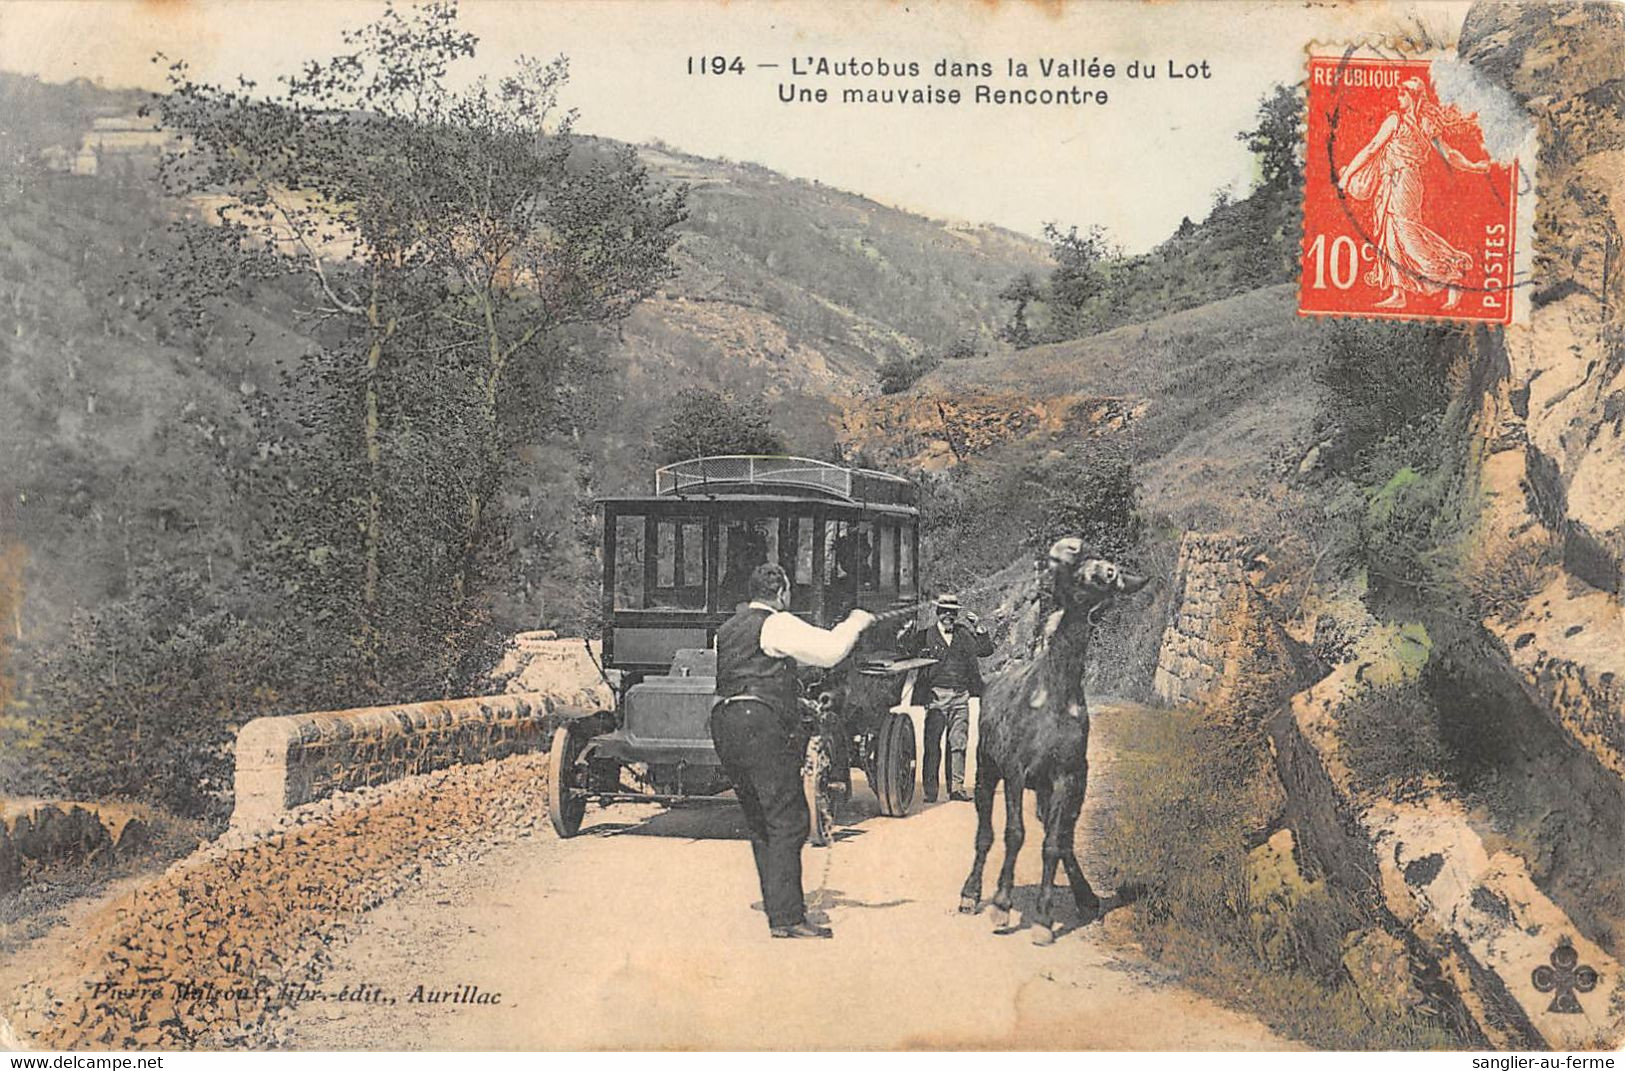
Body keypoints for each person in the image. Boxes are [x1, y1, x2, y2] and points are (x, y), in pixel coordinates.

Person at [711, 562, 873, 939]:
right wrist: (856, 622)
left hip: (724, 720)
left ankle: (778, 906)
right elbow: (831, 651)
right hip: (760, 723)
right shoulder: (777, 623)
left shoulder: (727, 629)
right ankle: (788, 919)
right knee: (789, 819)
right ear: (782, 593)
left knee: (759, 819)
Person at [1338, 76, 1491, 311]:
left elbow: (1448, 154)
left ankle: (1451, 275)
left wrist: (1473, 166)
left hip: (1405, 183)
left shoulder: (1410, 123)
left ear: (1413, 97)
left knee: (1408, 236)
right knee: (1390, 236)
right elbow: (1372, 148)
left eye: (1403, 94)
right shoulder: (1404, 121)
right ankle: (1398, 293)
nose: (1399, 98)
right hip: (1390, 182)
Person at [899, 594, 993, 802]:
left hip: (961, 696)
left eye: (952, 612)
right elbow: (905, 650)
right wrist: (905, 633)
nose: (948, 616)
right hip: (935, 696)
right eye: (944, 611)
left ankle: (957, 788)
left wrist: (979, 628)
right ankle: (931, 791)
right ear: (937, 613)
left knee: (958, 743)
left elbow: (986, 650)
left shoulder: (965, 634)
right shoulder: (925, 636)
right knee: (932, 744)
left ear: (957, 614)